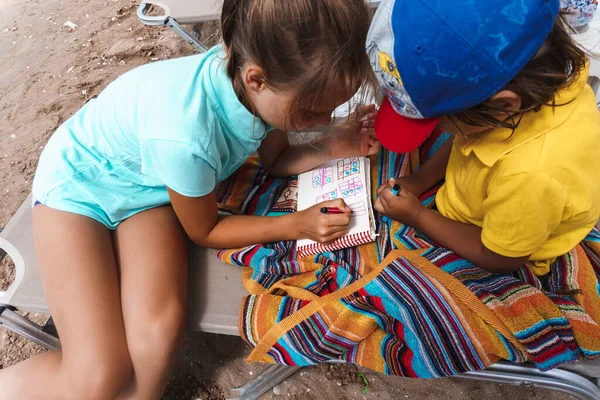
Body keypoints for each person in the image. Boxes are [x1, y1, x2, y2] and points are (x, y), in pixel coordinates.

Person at [0, 0, 380, 398]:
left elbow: (278, 158)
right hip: (75, 193)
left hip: (149, 188)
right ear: (256, 80)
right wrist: (296, 223)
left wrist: (334, 147)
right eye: (312, 111)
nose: (322, 119)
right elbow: (207, 229)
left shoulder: (258, 78)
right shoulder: (187, 137)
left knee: (159, 332)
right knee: (98, 375)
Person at [371, 0, 600, 275]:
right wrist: (419, 180)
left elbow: (499, 257)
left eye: (438, 121)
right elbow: (469, 142)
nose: (441, 130)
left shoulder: (530, 176)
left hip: (497, 247)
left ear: (503, 106)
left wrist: (418, 216)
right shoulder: (537, 87)